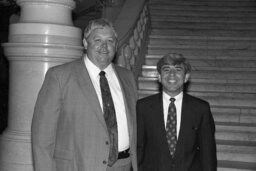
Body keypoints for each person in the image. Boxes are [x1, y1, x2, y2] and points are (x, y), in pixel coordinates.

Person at [31, 18, 138, 171]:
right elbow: (42, 137)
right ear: (86, 43)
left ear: (116, 45)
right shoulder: (59, 76)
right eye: (97, 40)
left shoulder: (127, 77)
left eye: (110, 40)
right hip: (78, 166)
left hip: (124, 165)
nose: (104, 46)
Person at [137, 53, 217, 171]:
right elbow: (138, 148)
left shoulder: (201, 109)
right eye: (166, 69)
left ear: (186, 77)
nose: (172, 74)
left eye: (178, 70)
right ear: (159, 76)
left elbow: (208, 153)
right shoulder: (143, 107)